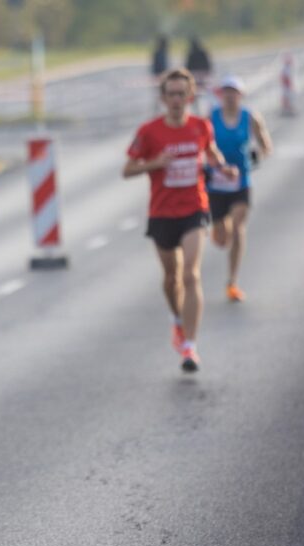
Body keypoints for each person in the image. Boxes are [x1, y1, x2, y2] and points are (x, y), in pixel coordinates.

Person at [123, 68, 238, 373]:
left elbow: (211, 154)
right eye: (171, 94)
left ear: (190, 96)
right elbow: (127, 169)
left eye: (181, 94)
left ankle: (190, 346)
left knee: (191, 275)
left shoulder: (201, 126)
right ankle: (177, 320)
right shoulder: (149, 131)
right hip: (161, 212)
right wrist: (155, 164)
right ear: (163, 98)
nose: (176, 100)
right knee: (171, 279)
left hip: (194, 208)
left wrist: (224, 168)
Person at [206, 76, 273, 303]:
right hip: (216, 183)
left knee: (238, 229)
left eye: (234, 92)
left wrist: (257, 156)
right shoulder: (211, 118)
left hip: (241, 182)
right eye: (226, 92)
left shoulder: (250, 117)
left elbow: (266, 145)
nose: (230, 96)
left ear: (241, 95)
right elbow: (201, 146)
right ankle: (217, 230)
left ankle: (232, 281)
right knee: (222, 238)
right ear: (220, 95)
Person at [185, 37, 213, 113]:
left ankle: (200, 110)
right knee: (202, 95)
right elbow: (208, 65)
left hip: (196, 76)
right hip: (202, 76)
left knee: (197, 95)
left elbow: (188, 66)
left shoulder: (191, 53)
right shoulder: (203, 52)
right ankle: (201, 110)